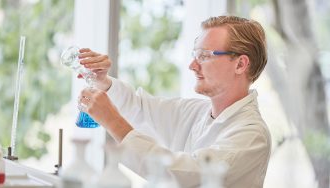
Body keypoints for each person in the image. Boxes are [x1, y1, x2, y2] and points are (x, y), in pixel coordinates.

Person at [77, 15, 271, 188]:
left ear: (240, 64)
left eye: (204, 56)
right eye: (195, 55)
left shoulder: (251, 134)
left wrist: (112, 121)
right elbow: (140, 110)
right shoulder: (196, 111)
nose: (192, 65)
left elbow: (183, 175)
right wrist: (103, 82)